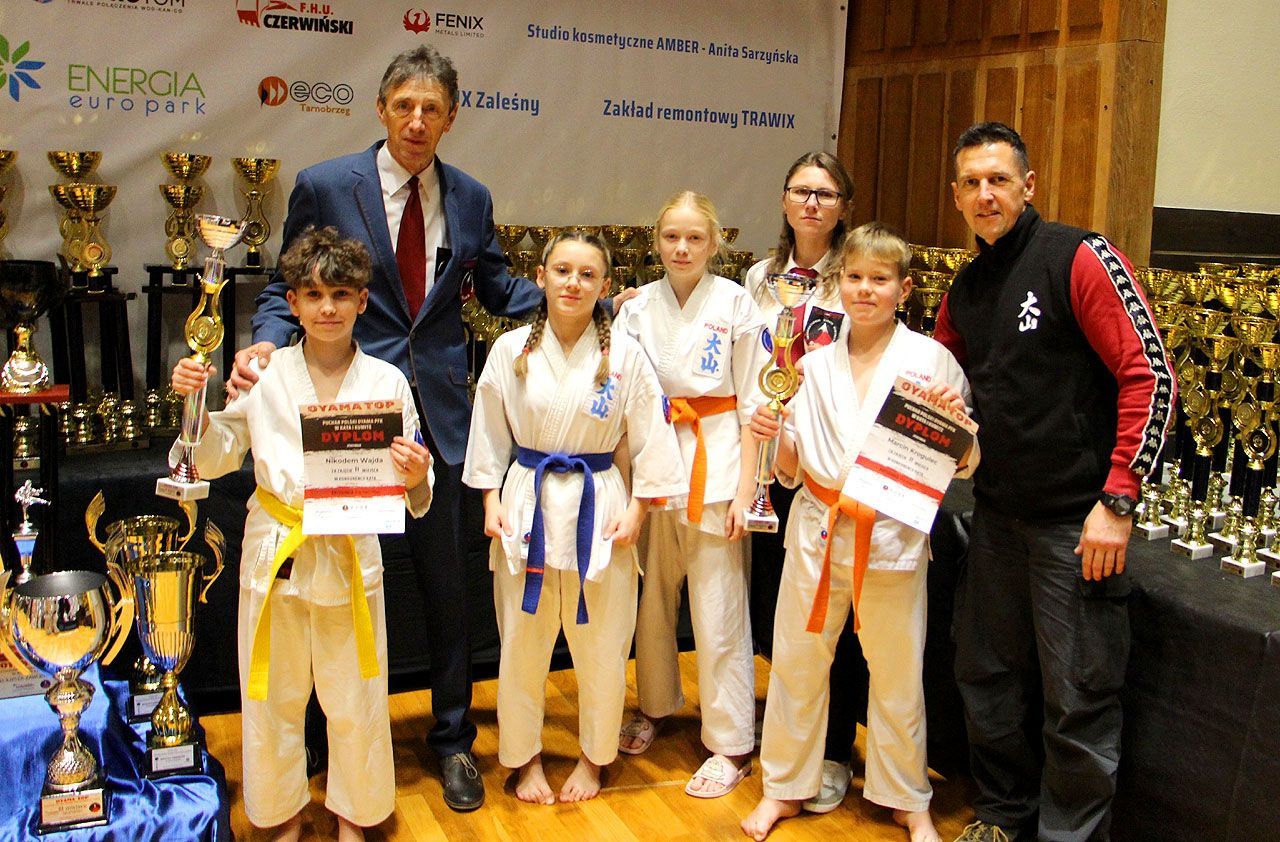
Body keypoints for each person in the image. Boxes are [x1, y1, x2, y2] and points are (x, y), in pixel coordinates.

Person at [230, 44, 542, 811]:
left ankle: (453, 739)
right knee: (321, 585)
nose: (416, 121)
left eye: (431, 109)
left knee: (448, 589)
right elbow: (284, 284)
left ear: (451, 117)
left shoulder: (470, 197)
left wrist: (582, 297)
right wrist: (266, 343)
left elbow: (496, 288)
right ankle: (313, 740)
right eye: (404, 105)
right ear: (381, 109)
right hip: (341, 410)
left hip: (433, 418)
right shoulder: (325, 184)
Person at [932, 122, 1175, 842]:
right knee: (987, 679)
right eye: (971, 183)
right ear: (956, 196)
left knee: (1078, 697)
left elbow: (1150, 374)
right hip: (996, 518)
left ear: (1028, 186)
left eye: (999, 180)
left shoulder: (1079, 257)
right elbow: (942, 388)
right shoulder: (965, 288)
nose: (985, 195)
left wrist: (1118, 499)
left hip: (1077, 524)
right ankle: (1003, 816)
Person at [171, 227, 434, 842]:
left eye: (341, 294)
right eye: (313, 295)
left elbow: (415, 491)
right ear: (292, 303)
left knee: (356, 694)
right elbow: (212, 456)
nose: (327, 308)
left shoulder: (387, 383)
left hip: (350, 551)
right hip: (277, 547)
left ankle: (355, 814)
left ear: (362, 301)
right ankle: (280, 813)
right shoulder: (264, 375)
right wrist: (194, 404)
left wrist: (417, 474)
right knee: (272, 695)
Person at [740, 222, 977, 842]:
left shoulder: (932, 361)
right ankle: (782, 787)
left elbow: (965, 461)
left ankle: (908, 798)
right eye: (853, 277)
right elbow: (791, 468)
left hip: (892, 533)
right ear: (838, 283)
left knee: (897, 672)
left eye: (879, 279)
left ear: (904, 288)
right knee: (796, 664)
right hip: (817, 528)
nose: (865, 290)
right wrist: (772, 435)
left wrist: (958, 428)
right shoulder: (813, 363)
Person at [463, 231, 685, 805]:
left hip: (599, 504)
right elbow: (488, 433)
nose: (573, 283)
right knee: (521, 643)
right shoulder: (510, 350)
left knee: (603, 645)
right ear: (540, 277)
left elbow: (651, 437)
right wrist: (490, 501)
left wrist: (639, 509)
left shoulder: (625, 356)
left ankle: (594, 757)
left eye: (588, 275)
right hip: (527, 502)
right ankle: (525, 757)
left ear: (605, 286)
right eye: (562, 271)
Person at [613, 190, 771, 798]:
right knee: (652, 597)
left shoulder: (736, 304)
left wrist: (748, 490)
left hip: (718, 461)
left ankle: (731, 742)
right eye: (672, 237)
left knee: (718, 603)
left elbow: (755, 400)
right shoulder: (636, 309)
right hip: (654, 462)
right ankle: (655, 705)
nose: (682, 248)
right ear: (656, 241)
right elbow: (621, 395)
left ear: (715, 243)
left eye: (695, 238)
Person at [743, 151, 864, 815]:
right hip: (769, 456)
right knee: (777, 610)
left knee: (832, 619)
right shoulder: (760, 278)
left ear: (843, 206)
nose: (812, 203)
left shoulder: (855, 278)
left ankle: (836, 748)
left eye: (826, 193)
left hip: (826, 465)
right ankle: (790, 732)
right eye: (801, 191)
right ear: (785, 200)